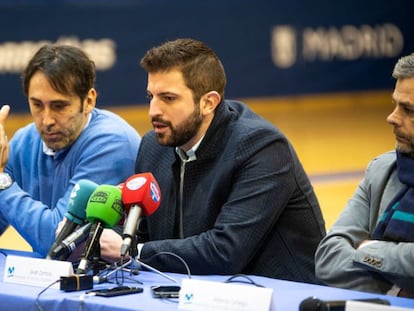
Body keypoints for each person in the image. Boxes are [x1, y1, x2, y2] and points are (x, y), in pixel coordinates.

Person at [131, 38, 326, 283]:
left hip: (280, 298)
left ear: (208, 103)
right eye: (151, 96)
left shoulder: (261, 147)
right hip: (192, 290)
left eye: (168, 98)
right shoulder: (153, 146)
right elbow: (140, 232)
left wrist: (133, 252)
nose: (153, 111)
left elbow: (225, 251)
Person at [0, 44, 141, 259]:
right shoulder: (24, 142)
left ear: (89, 101)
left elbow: (60, 244)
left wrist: (2, 182)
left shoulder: (112, 143)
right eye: (37, 105)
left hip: (110, 283)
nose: (46, 120)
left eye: (59, 106)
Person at [315, 53, 414, 298]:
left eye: (408, 109)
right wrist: (397, 290)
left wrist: (370, 251)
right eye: (395, 105)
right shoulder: (381, 171)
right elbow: (328, 257)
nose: (392, 118)